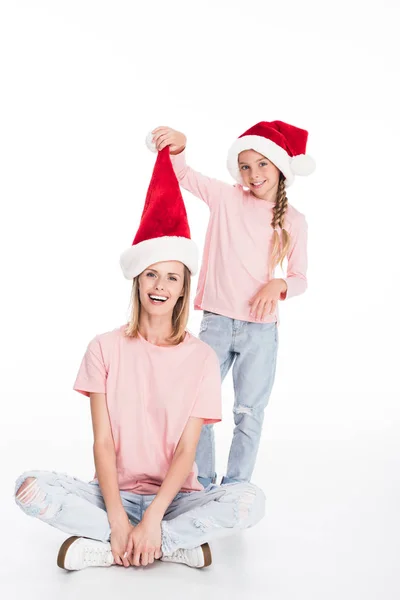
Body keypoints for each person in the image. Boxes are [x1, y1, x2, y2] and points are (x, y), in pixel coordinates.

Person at [14, 147, 265, 571]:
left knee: (250, 501)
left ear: (184, 288)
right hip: (114, 492)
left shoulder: (202, 358)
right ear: (137, 279)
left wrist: (153, 519)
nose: (160, 285)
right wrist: (117, 517)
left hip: (176, 498)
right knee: (27, 486)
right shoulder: (104, 348)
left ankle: (135, 543)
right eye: (151, 273)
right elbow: (104, 443)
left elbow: (188, 449)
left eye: (171, 277)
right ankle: (142, 542)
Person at [150, 122, 315, 487]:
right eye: (245, 166)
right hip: (218, 324)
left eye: (262, 165)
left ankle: (236, 487)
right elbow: (184, 175)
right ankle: (203, 482)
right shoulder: (226, 198)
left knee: (249, 413)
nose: (253, 174)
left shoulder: (294, 221)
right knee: (197, 406)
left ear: (280, 167)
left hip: (261, 331)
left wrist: (280, 283)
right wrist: (179, 147)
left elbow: (300, 277)